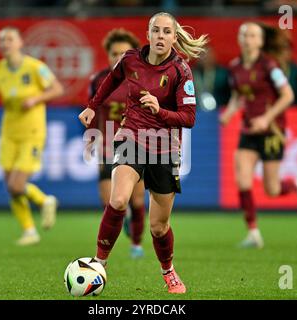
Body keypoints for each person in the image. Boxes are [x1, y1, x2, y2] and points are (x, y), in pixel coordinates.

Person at [79, 12, 207, 293]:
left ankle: (168, 271)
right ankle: (100, 264)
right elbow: (110, 81)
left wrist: (159, 110)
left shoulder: (180, 70)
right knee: (119, 199)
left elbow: (189, 118)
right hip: (131, 138)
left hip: (164, 148)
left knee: (159, 227)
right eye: (156, 31)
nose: (161, 36)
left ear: (174, 38)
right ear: (148, 34)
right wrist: (92, 106)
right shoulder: (130, 59)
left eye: (166, 32)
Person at [219, 22, 297, 249]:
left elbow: (288, 95)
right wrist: (230, 113)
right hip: (249, 130)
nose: (247, 39)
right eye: (244, 35)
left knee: (272, 189)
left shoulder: (270, 66)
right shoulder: (234, 68)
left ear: (260, 42)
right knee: (242, 179)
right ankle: (253, 233)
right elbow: (237, 96)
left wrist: (266, 118)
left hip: (272, 131)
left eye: (252, 35)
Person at [0, 27, 64, 246]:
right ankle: (29, 230)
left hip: (32, 132)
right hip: (9, 133)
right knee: (10, 185)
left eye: (9, 39)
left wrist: (36, 99)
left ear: (19, 43)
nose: (5, 43)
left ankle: (45, 200)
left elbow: (57, 89)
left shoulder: (35, 67)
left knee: (16, 185)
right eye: (1, 40)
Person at [88, 28, 146, 259]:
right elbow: (90, 110)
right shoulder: (99, 80)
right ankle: (124, 225)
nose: (118, 57)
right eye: (114, 53)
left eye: (124, 53)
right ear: (108, 54)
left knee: (138, 199)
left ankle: (137, 244)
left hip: (136, 145)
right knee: (110, 201)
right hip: (107, 148)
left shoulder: (141, 78)